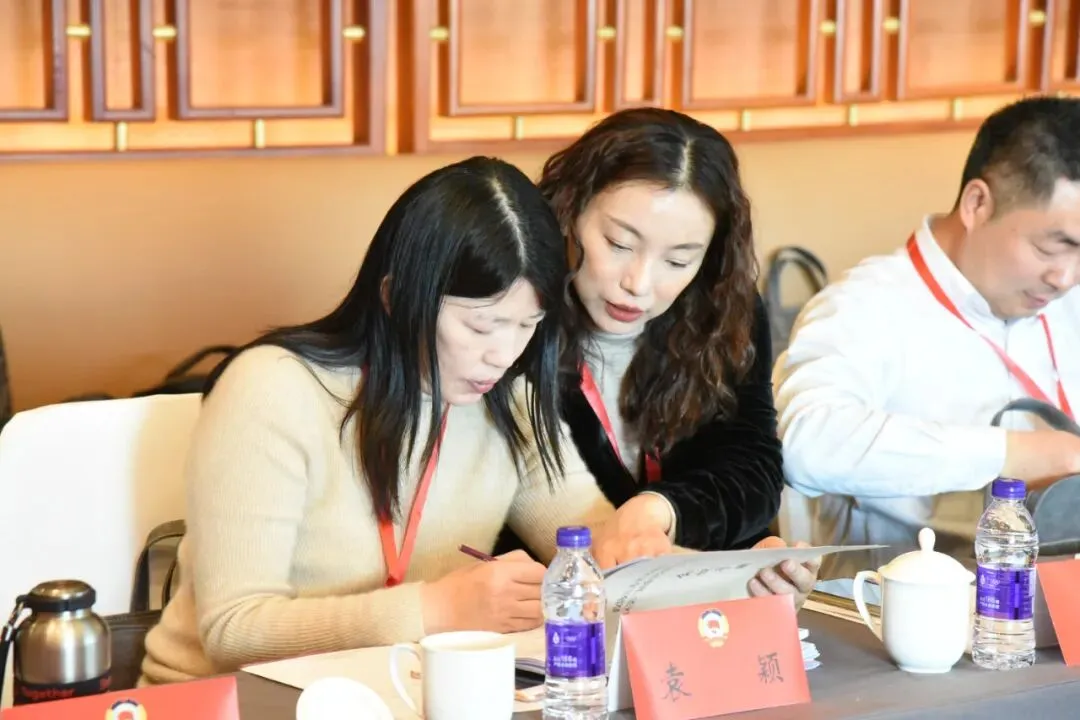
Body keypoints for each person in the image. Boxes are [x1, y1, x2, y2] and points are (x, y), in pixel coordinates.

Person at [139, 157, 616, 685]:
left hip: (397, 697)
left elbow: (594, 542)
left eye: (528, 325)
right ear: (395, 297)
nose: (503, 355)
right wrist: (437, 608)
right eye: (481, 326)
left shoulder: (511, 402)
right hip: (230, 701)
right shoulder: (274, 388)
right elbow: (234, 632)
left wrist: (649, 545)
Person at [498, 108, 820, 606]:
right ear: (568, 210)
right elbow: (558, 521)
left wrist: (663, 512)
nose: (639, 283)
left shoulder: (723, 307)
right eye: (619, 244)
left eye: (677, 260)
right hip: (557, 620)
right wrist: (726, 580)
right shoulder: (512, 316)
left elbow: (751, 465)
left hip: (696, 615)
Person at [774, 96, 1080, 579]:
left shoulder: (1068, 302)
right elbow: (806, 442)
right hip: (900, 607)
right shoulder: (864, 306)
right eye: (1050, 248)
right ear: (977, 204)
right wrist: (1009, 453)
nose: (1064, 278)